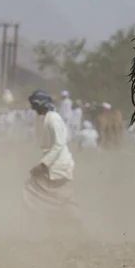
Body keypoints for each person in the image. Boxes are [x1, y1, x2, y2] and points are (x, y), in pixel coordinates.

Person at [23, 90, 78, 229]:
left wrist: (43, 165)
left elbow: (59, 144)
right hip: (54, 164)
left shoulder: (53, 118)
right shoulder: (47, 118)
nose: (33, 109)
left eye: (34, 105)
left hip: (59, 165)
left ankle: (40, 225)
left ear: (41, 104)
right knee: (58, 197)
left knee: (32, 189)